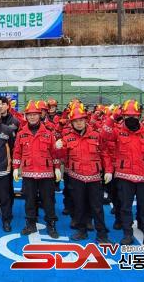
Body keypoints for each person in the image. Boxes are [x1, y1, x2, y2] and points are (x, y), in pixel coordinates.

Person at [102, 99, 144, 245]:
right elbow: (104, 134)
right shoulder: (118, 131)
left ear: (139, 116)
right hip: (124, 177)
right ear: (123, 116)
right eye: (127, 116)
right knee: (125, 208)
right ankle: (127, 233)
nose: (131, 118)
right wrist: (113, 117)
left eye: (134, 116)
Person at [60, 104, 111, 243]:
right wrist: (58, 148)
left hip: (94, 177)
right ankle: (81, 231)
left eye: (81, 120)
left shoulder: (96, 135)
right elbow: (62, 157)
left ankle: (102, 234)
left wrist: (108, 171)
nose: (79, 123)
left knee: (97, 207)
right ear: (72, 123)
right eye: (76, 121)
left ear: (86, 120)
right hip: (76, 178)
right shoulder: (67, 138)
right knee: (79, 205)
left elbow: (105, 153)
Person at [13, 100, 60, 238]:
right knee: (29, 200)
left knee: (48, 201)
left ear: (40, 115)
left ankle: (51, 225)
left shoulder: (48, 133)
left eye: (35, 114)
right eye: (29, 114)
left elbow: (54, 153)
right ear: (26, 116)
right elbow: (17, 152)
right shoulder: (21, 133)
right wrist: (15, 168)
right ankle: (30, 224)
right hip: (28, 173)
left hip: (46, 173)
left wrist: (57, 168)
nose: (32, 117)